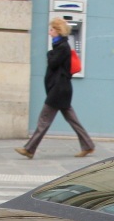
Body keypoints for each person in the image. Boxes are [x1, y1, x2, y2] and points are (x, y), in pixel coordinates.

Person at [16, 18, 96, 159]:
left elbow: (53, 63)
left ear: (58, 31)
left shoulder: (62, 47)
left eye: (52, 29)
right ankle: (88, 145)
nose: (49, 32)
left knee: (43, 120)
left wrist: (48, 54)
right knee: (72, 120)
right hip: (62, 89)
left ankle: (29, 149)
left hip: (58, 90)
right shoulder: (60, 46)